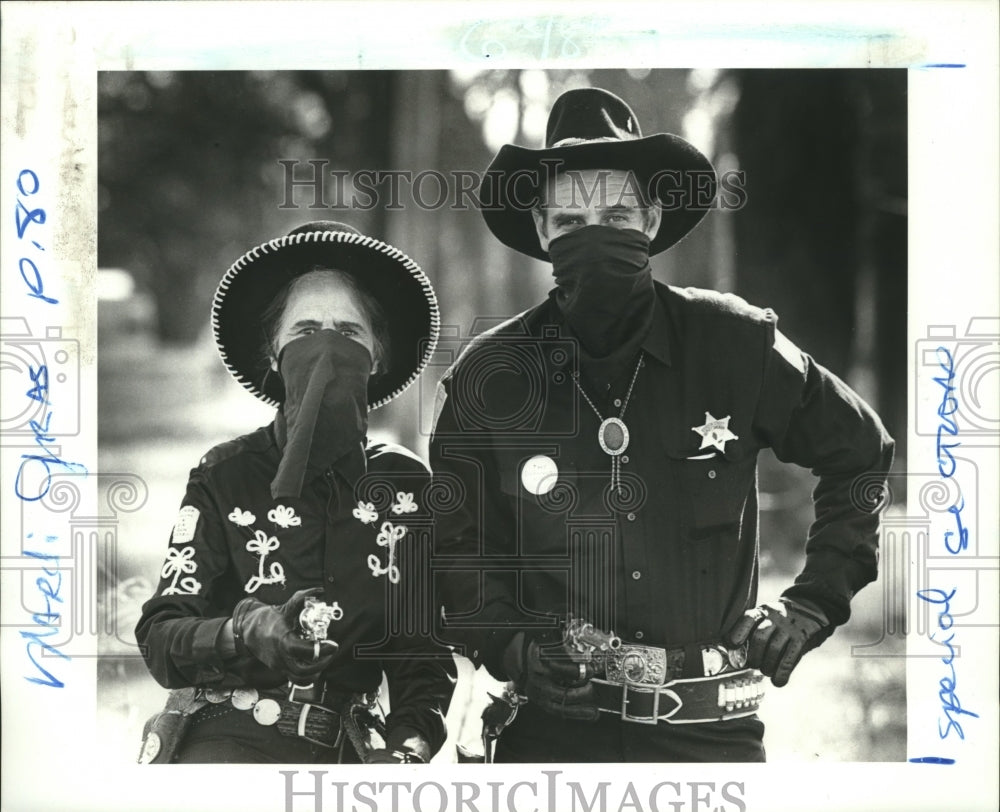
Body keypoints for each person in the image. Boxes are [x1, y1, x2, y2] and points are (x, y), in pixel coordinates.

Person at [430, 88, 894, 762]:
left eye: (616, 213)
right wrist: (514, 646)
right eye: (570, 219)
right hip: (551, 734)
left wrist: (812, 603)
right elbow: (456, 545)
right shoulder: (488, 376)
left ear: (651, 219)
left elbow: (861, 452)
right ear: (540, 231)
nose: (594, 235)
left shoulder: (735, 343)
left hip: (710, 737)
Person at [135, 221, 455, 764]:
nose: (327, 347)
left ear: (377, 356)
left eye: (349, 333)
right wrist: (246, 630)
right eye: (306, 330)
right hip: (223, 743)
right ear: (274, 351)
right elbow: (160, 635)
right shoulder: (225, 474)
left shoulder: (407, 488)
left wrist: (407, 751)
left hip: (347, 754)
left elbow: (421, 660)